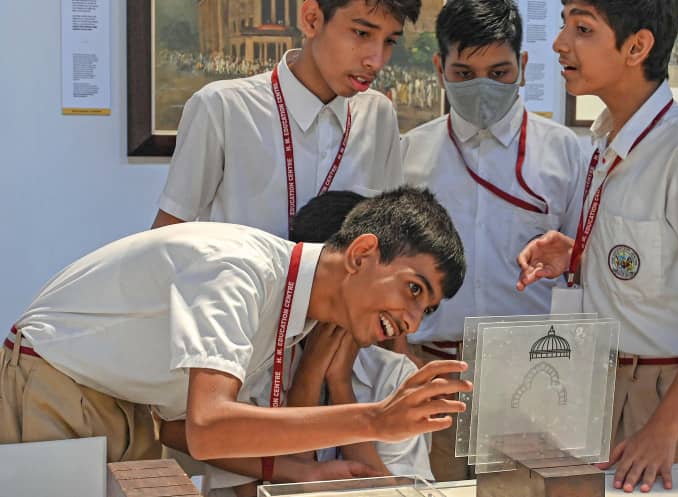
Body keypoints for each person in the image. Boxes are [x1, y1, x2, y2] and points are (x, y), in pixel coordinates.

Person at [1, 187, 470, 483]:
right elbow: (209, 429)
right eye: (413, 289)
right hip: (58, 382)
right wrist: (373, 421)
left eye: (426, 308)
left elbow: (186, 429)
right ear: (362, 253)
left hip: (129, 408)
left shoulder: (293, 311)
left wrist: (305, 472)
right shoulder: (240, 269)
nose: (412, 320)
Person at [517, 0, 678, 492]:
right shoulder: (605, 140)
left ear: (637, 46)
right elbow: (647, 261)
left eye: (583, 29)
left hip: (670, 388)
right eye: (564, 25)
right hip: (600, 380)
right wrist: (576, 254)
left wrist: (665, 427)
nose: (559, 44)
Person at [398, 0, 587, 481]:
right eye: (464, 74)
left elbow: (585, 278)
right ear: (440, 68)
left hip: (532, 381)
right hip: (431, 374)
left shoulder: (566, 155)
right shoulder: (408, 155)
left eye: (499, 73)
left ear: (523, 65)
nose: (482, 86)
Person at [159, 191, 435, 496]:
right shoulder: (251, 357)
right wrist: (308, 378)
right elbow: (198, 441)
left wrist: (341, 385)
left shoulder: (393, 374)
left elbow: (398, 491)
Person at [151, 0, 422, 238]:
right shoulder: (222, 108)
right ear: (312, 19)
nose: (376, 61)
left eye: (389, 41)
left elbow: (388, 238)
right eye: (362, 33)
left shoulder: (378, 115)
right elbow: (166, 240)